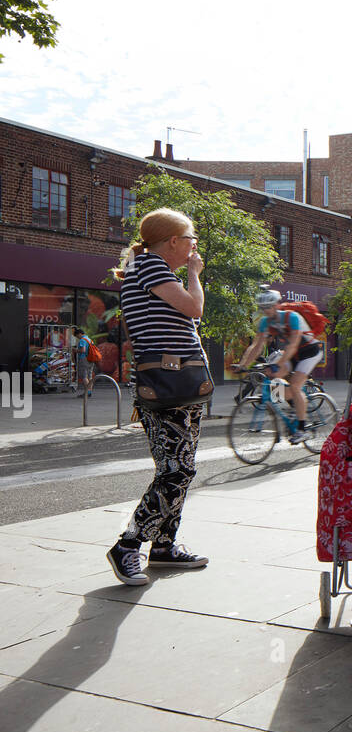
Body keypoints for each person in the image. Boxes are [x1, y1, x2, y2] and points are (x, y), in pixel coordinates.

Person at [105, 208, 209, 585]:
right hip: (169, 385)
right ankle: (128, 546)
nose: (195, 246)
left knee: (178, 469)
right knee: (177, 470)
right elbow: (195, 308)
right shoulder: (150, 266)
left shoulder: (149, 269)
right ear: (172, 241)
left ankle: (164, 547)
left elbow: (185, 319)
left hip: (177, 383)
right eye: (191, 238)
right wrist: (195, 275)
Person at [235, 289, 323, 443]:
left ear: (277, 304)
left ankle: (302, 429)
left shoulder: (291, 317)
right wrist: (243, 365)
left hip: (310, 352)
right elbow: (257, 346)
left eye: (268, 306)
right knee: (272, 379)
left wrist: (279, 364)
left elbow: (294, 343)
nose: (266, 310)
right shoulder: (265, 322)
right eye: (263, 307)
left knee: (295, 386)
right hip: (292, 355)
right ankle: (291, 408)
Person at [73, 326, 95, 396]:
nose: (77, 337)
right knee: (90, 376)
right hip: (91, 359)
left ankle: (87, 392)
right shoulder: (89, 339)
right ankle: (90, 391)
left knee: (84, 376)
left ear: (79, 334)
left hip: (84, 359)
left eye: (77, 336)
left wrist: (76, 350)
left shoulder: (82, 340)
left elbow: (83, 350)